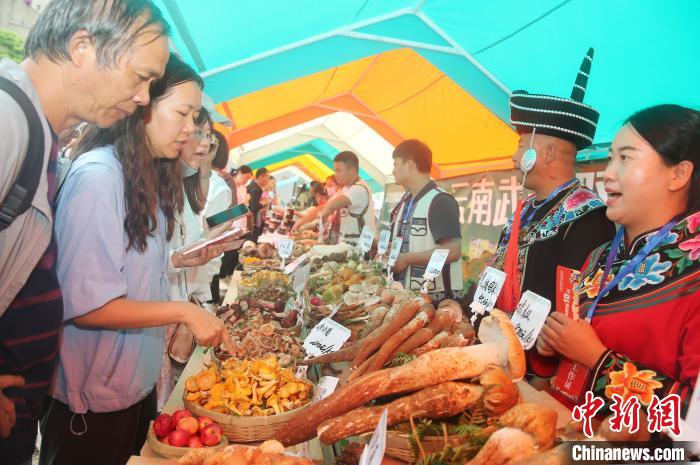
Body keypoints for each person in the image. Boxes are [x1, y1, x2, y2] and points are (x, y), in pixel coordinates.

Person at [39, 54, 234, 465]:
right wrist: (184, 311)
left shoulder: (146, 179)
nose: (191, 131)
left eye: (196, 118)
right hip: (91, 407)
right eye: (183, 113)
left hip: (134, 391)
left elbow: (137, 275)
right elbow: (88, 305)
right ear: (143, 107)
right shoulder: (99, 177)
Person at [0, 1, 170, 463]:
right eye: (142, 77)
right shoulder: (8, 119)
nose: (143, 99)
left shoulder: (39, 132)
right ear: (82, 48)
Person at [538, 104, 699, 420]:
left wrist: (597, 358)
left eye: (625, 158)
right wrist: (553, 344)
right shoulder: (599, 257)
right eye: (611, 157)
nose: (609, 173)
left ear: (678, 174)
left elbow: (692, 415)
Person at [487, 48, 616, 378]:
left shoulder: (589, 217)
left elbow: (576, 310)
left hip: (542, 374)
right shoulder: (526, 208)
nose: (514, 159)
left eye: (519, 146)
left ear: (544, 153)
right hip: (497, 351)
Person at [389, 139, 463, 300]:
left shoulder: (440, 201)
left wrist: (406, 259)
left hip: (437, 300)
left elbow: (453, 251)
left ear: (409, 164)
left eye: (395, 164)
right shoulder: (406, 200)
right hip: (408, 296)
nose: (393, 170)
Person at [294, 151, 376, 247]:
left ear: (352, 171)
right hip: (345, 245)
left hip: (360, 248)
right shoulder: (345, 189)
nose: (335, 174)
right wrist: (301, 223)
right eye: (335, 170)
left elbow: (332, 205)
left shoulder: (360, 188)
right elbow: (322, 207)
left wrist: (322, 217)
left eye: (339, 171)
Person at [247, 167, 271, 241]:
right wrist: (263, 204)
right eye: (268, 177)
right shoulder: (255, 189)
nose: (268, 180)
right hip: (250, 222)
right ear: (261, 176)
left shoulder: (254, 186)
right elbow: (253, 208)